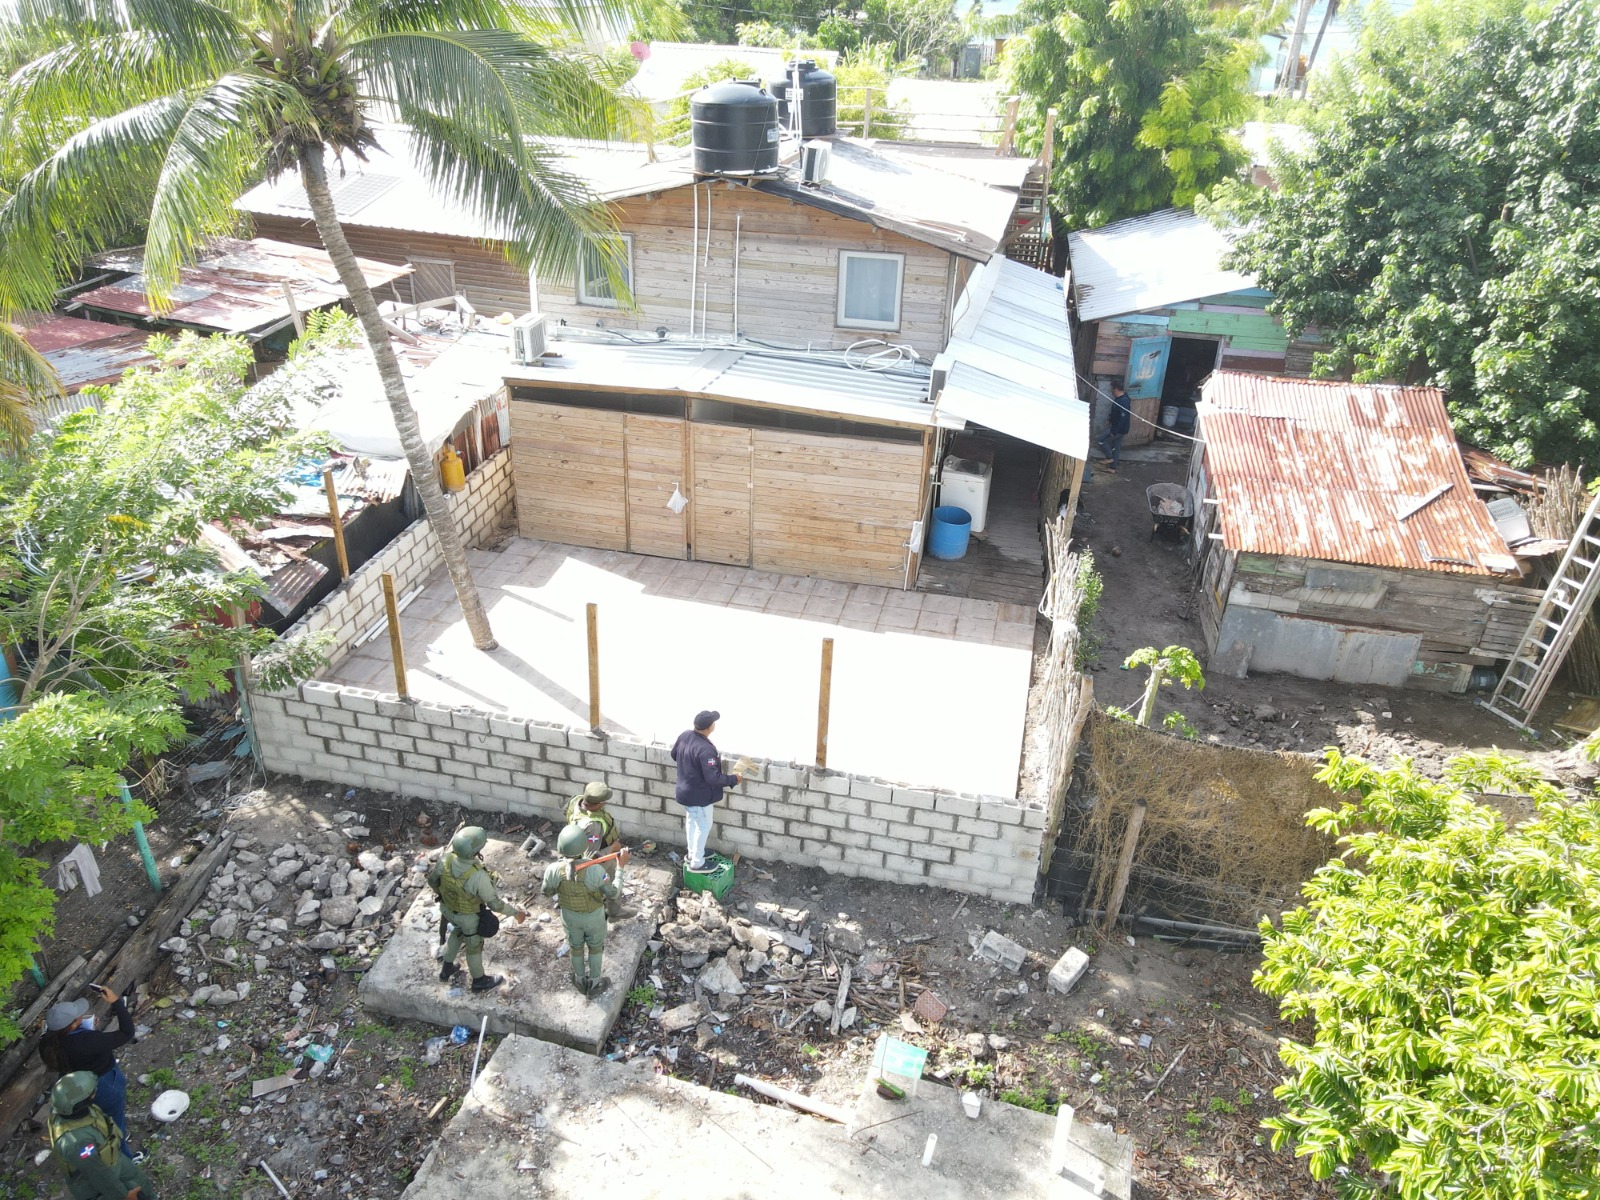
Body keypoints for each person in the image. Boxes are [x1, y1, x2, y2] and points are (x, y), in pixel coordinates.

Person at [40, 984, 137, 1159]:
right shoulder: (89, 1041)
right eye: (78, 1018)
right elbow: (127, 1032)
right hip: (104, 1083)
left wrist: (87, 1030)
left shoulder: (46, 1043)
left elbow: (75, 1046)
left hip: (76, 1087)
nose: (81, 1017)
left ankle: (107, 1135)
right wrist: (116, 1002)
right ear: (71, 1026)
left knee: (98, 1116)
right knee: (115, 1120)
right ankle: (125, 1158)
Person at [427, 826, 527, 993]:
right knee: (474, 946)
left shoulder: (445, 860)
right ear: (476, 851)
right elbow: (494, 904)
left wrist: (444, 895)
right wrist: (516, 913)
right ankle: (479, 980)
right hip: (468, 917)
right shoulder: (477, 876)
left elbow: (432, 881)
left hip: (448, 910)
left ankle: (446, 970)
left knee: (456, 934)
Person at [542, 822, 628, 997]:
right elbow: (613, 893)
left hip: (569, 917)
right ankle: (595, 984)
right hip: (593, 917)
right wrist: (620, 868)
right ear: (583, 846)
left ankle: (580, 981)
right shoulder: (595, 870)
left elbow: (547, 891)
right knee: (596, 948)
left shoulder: (552, 870)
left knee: (576, 948)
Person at [46, 1071, 159, 1200]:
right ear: (80, 1104)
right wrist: (124, 1196)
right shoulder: (77, 1142)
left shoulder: (76, 1112)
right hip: (96, 1184)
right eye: (91, 1093)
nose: (95, 1093)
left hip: (111, 1160)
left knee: (140, 1181)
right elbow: (98, 1175)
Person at [671, 709, 740, 873]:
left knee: (692, 822)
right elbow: (713, 778)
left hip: (684, 791)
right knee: (703, 825)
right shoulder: (706, 749)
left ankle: (692, 853)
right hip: (699, 796)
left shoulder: (685, 735)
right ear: (710, 727)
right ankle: (697, 862)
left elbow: (675, 755)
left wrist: (690, 769)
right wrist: (733, 779)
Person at [565, 780, 627, 918]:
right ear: (598, 804)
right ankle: (611, 911)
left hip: (576, 850)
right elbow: (592, 858)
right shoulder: (593, 825)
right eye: (604, 802)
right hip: (599, 857)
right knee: (608, 879)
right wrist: (613, 848)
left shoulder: (576, 800)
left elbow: (566, 813)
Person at [1096, 381, 1131, 470]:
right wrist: (1110, 419)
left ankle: (1109, 457)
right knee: (1116, 447)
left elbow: (1123, 418)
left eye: (1112, 389)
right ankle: (1112, 468)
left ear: (1116, 389)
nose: (1111, 391)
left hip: (1119, 429)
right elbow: (1115, 412)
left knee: (1102, 440)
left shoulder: (1124, 401)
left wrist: (1114, 431)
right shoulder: (1118, 399)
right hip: (1117, 427)